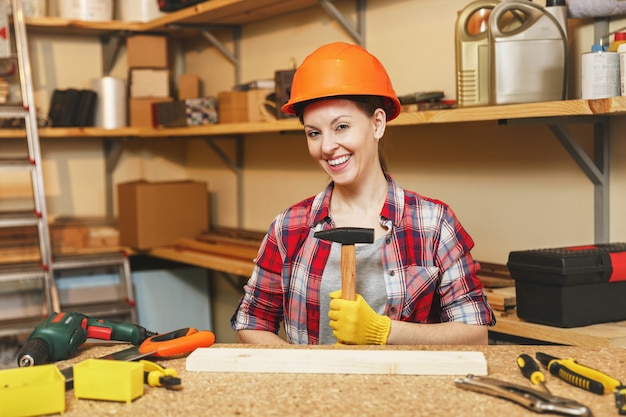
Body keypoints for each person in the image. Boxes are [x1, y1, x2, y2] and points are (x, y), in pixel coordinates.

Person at [231, 42, 495, 345]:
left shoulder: (433, 224)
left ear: (378, 123)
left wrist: (383, 331)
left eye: (341, 126)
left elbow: (475, 335)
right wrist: (303, 371)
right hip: (313, 392)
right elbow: (251, 323)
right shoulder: (289, 228)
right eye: (314, 133)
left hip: (405, 391)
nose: (327, 146)